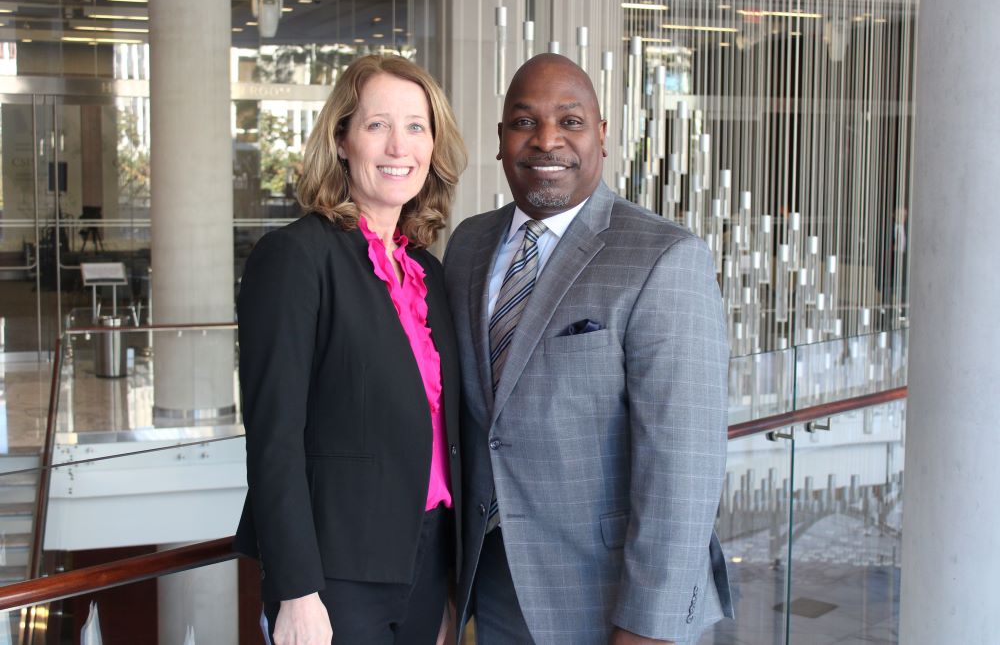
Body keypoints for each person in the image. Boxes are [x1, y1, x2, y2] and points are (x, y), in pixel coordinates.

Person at [443, 53, 733, 644]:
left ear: (602, 135)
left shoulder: (663, 256)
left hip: (609, 594)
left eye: (570, 122)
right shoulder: (468, 246)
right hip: (492, 579)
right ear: (501, 140)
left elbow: (684, 462)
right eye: (525, 122)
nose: (546, 140)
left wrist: (649, 625)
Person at [234, 54, 467, 644]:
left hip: (428, 559)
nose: (399, 146)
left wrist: (447, 580)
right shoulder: (294, 259)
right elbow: (273, 440)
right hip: (335, 575)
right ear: (341, 140)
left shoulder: (427, 272)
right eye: (376, 125)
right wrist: (296, 590)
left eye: (416, 126)